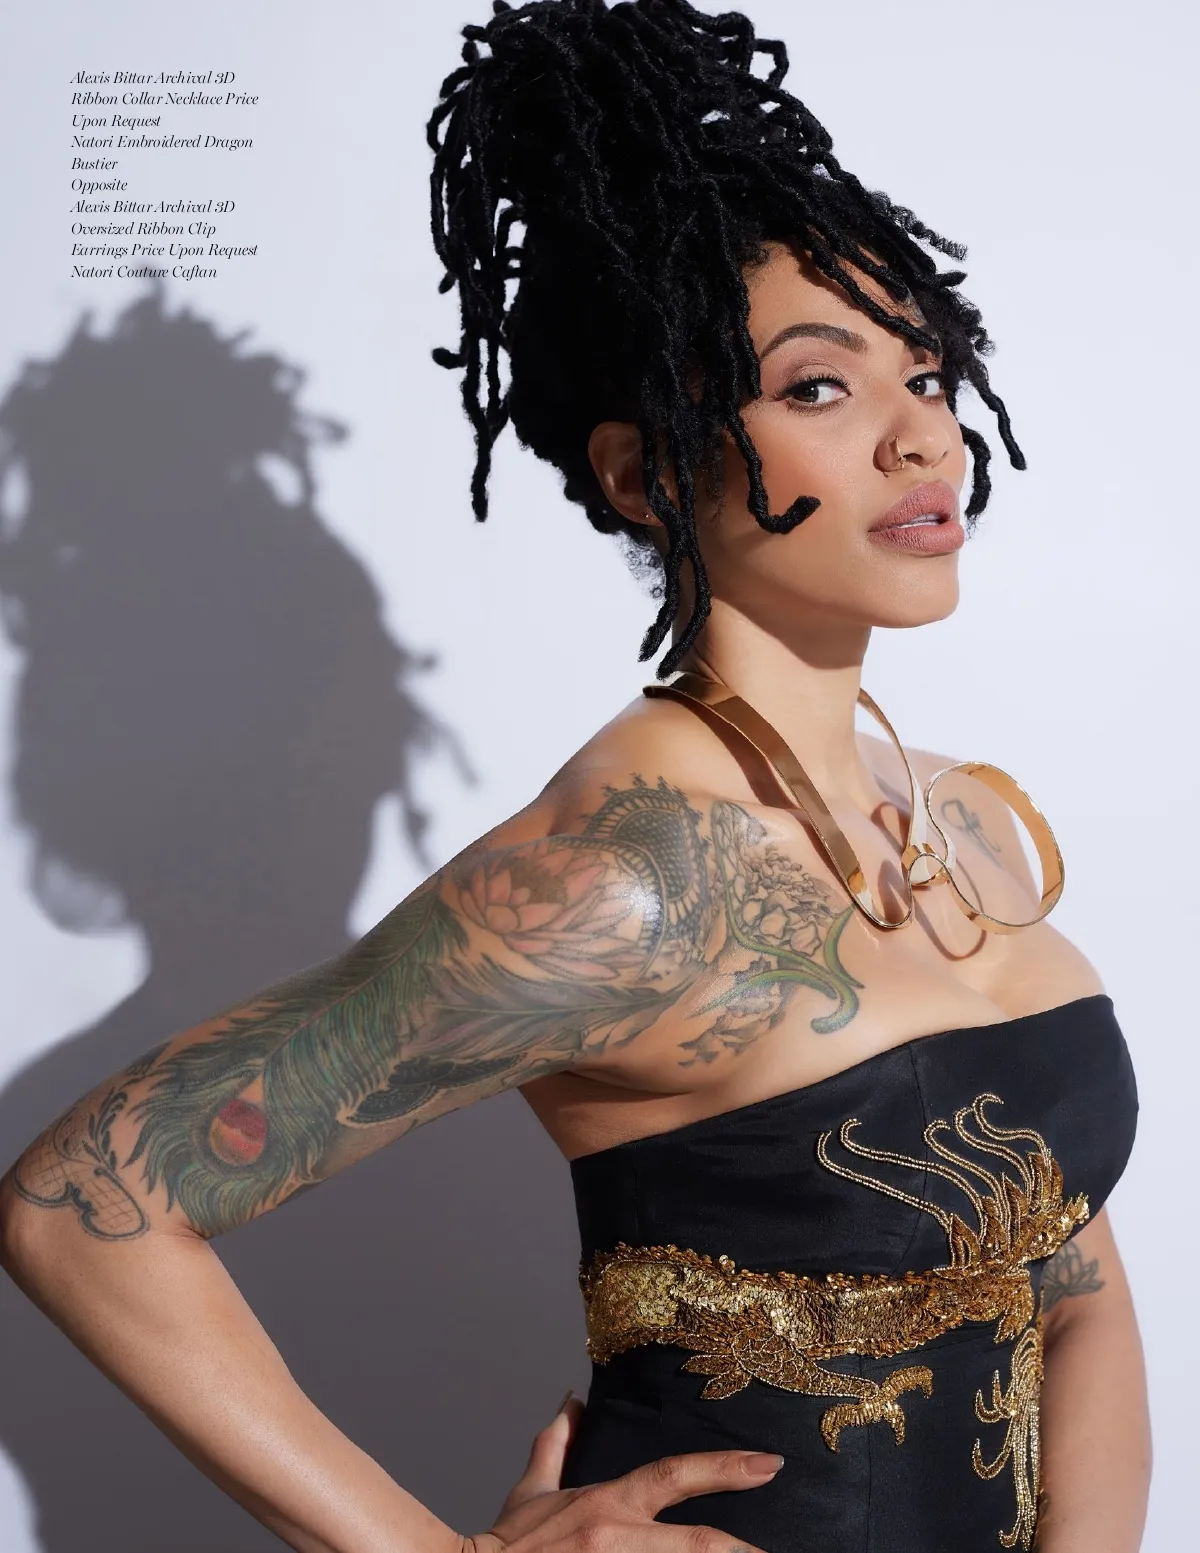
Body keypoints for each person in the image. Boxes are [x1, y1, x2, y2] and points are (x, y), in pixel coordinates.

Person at [0, 2, 1150, 1550]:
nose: (921, 441)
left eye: (929, 375)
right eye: (819, 388)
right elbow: (79, 1214)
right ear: (644, 469)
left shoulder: (963, 823)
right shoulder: (619, 882)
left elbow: (1073, 1288)